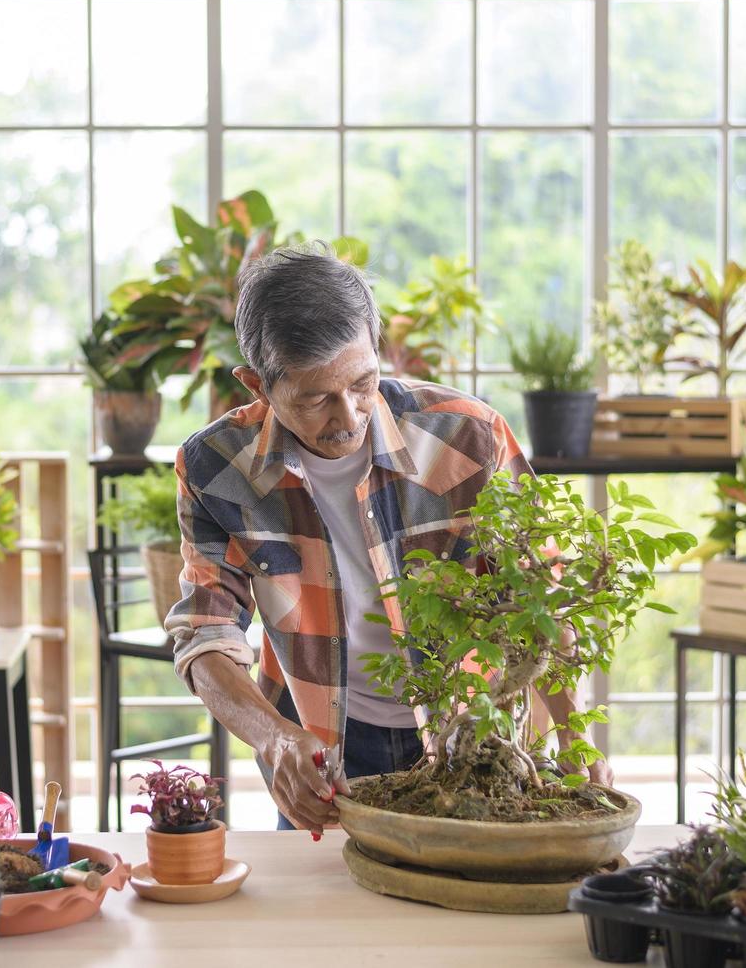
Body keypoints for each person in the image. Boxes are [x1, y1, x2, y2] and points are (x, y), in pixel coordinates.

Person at [165, 242, 610, 836]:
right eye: (316, 398)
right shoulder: (215, 468)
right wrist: (276, 741)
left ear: (380, 348)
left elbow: (540, 595)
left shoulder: (468, 436)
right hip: (322, 752)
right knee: (332, 924)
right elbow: (206, 633)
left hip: (474, 741)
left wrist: (576, 739)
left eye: (363, 383)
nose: (348, 416)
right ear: (256, 384)